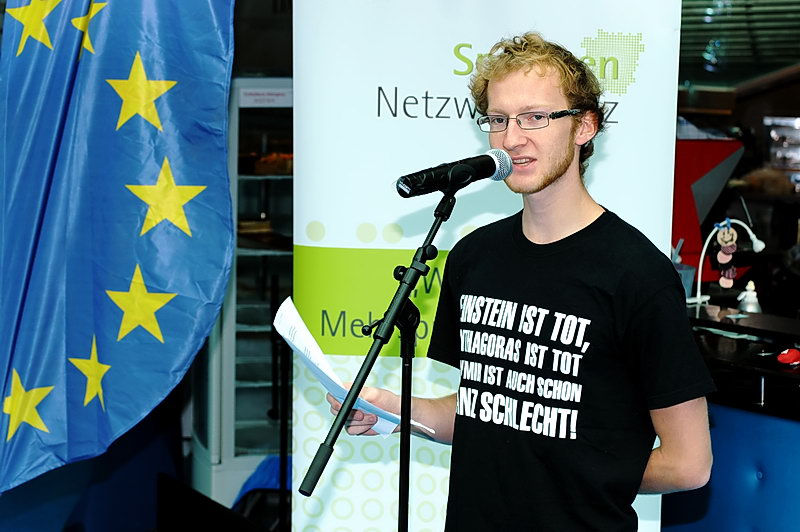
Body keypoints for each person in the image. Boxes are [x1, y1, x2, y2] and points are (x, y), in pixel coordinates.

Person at [328, 32, 714, 531]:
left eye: (535, 117)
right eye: (498, 119)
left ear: (584, 126)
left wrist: (584, 473)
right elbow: (484, 414)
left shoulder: (638, 274)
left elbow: (689, 464)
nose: (511, 138)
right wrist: (392, 410)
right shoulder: (474, 257)